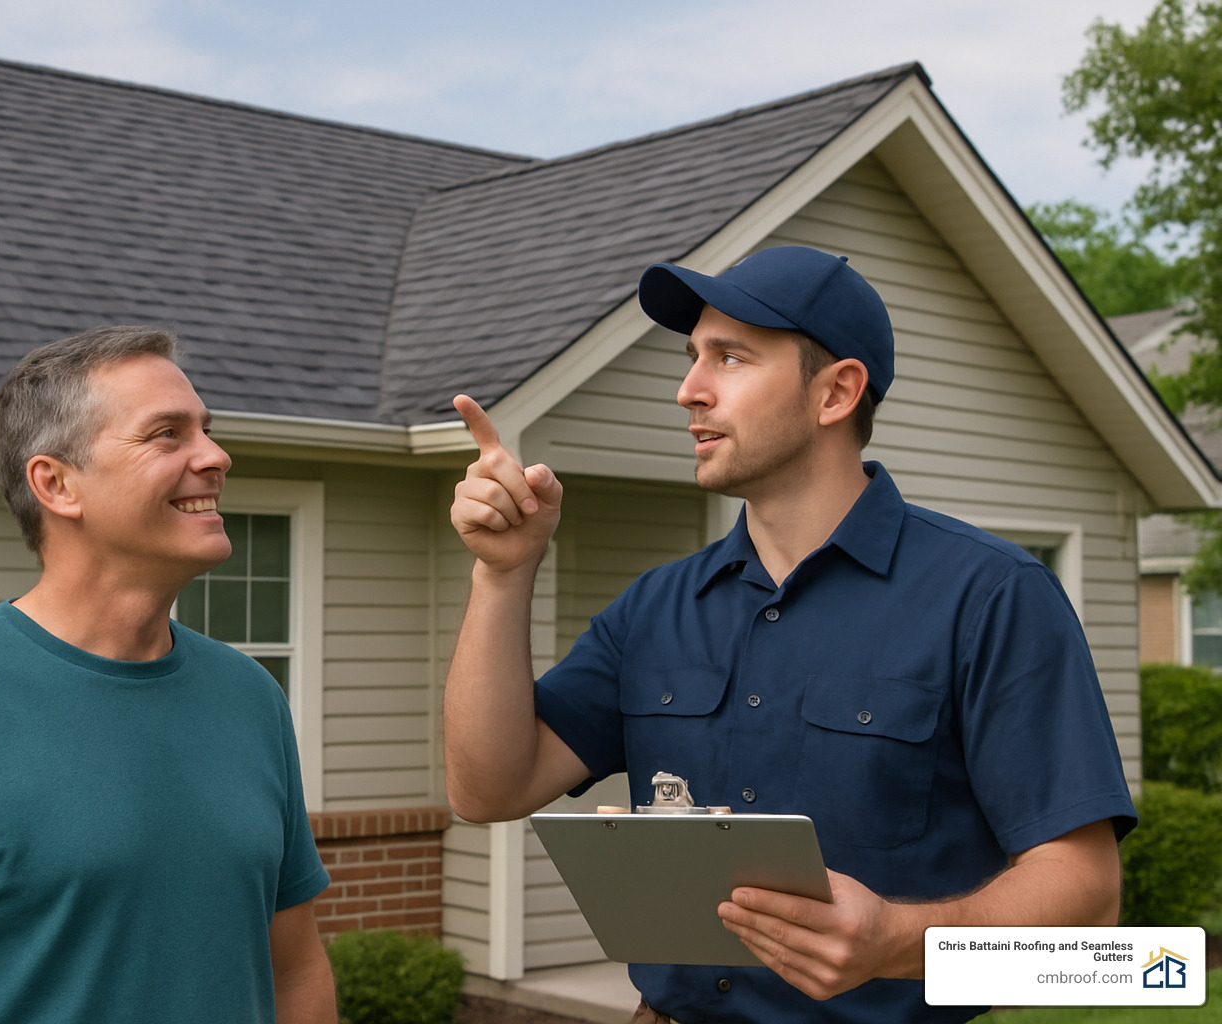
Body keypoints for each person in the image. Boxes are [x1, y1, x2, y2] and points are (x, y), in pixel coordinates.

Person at [443, 246, 1135, 1024]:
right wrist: (502, 574)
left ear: (836, 392)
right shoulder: (656, 608)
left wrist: (896, 940)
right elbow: (488, 789)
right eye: (692, 358)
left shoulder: (991, 596)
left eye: (730, 357)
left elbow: (1087, 900)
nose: (688, 390)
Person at [0, 326, 335, 1024]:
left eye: (207, 430)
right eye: (167, 435)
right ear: (55, 484)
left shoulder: (251, 697)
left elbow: (295, 970)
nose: (215, 456)